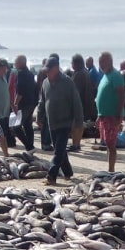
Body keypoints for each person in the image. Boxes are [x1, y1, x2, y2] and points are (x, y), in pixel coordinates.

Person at [37, 57, 83, 185]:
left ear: (56, 68)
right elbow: (42, 101)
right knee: (60, 149)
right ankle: (68, 172)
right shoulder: (45, 82)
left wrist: (78, 122)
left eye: (49, 70)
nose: (47, 72)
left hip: (65, 122)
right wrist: (39, 116)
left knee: (58, 151)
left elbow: (76, 102)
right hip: (51, 122)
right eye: (45, 70)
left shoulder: (67, 82)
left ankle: (51, 176)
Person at [94, 51, 124, 172]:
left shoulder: (115, 75)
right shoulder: (105, 76)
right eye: (99, 62)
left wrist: (118, 114)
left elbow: (121, 95)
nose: (100, 64)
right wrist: (98, 115)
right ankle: (109, 169)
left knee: (111, 144)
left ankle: (111, 170)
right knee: (107, 143)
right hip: (104, 115)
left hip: (112, 115)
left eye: (103, 62)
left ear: (110, 62)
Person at [11, 55, 38, 153]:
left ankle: (29, 146)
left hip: (24, 104)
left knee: (16, 127)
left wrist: (15, 103)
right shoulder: (31, 74)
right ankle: (30, 147)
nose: (14, 64)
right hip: (31, 102)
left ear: (21, 63)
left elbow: (20, 91)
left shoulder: (21, 74)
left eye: (16, 62)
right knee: (27, 125)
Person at [70, 54, 96, 151]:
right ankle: (77, 143)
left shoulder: (79, 74)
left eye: (72, 63)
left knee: (75, 125)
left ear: (76, 64)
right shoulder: (85, 72)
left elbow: (75, 91)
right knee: (79, 124)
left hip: (79, 104)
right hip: (86, 103)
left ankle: (75, 144)